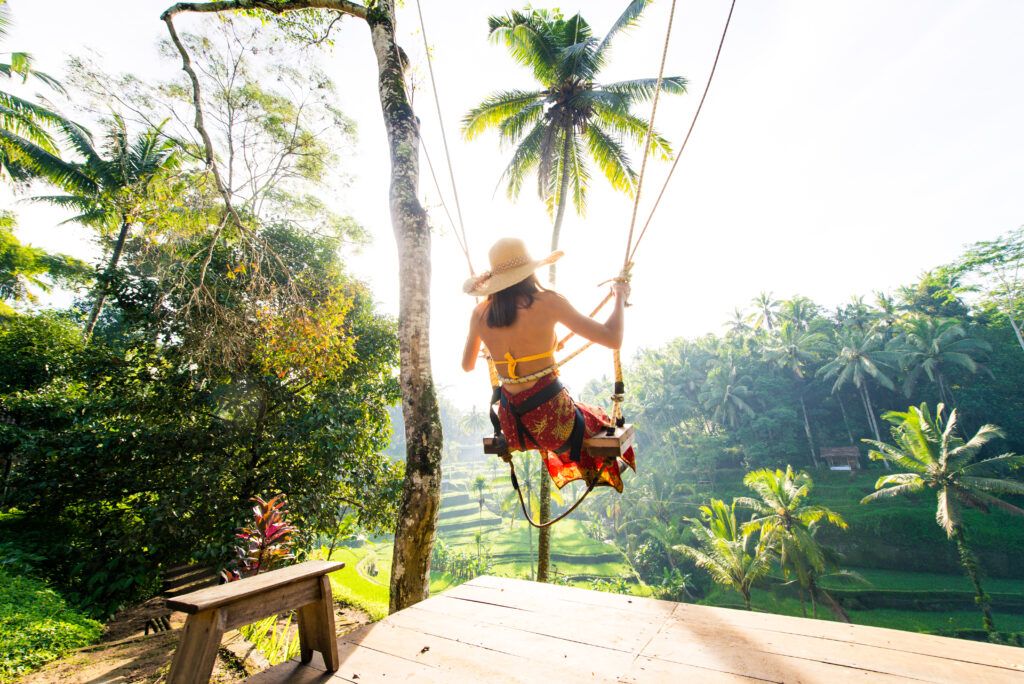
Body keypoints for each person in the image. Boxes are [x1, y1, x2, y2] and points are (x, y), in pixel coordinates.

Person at [462, 237, 636, 492]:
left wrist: (494, 351)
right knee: (597, 419)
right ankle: (604, 469)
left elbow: (467, 365)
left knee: (564, 422)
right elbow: (613, 338)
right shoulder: (548, 302)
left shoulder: (480, 313)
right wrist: (619, 297)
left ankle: (594, 467)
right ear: (530, 270)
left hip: (512, 426)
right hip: (554, 425)